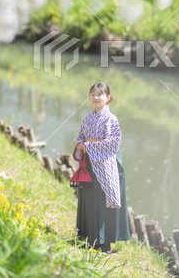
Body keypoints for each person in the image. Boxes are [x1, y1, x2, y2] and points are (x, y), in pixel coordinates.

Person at [73, 82, 130, 252]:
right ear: (89, 98)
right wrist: (80, 144)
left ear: (108, 98)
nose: (96, 97)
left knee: (105, 201)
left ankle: (104, 243)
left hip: (108, 164)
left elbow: (113, 143)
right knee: (90, 200)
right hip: (90, 164)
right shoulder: (87, 118)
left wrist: (87, 146)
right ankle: (89, 237)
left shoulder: (111, 119)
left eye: (100, 94)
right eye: (93, 94)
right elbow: (80, 137)